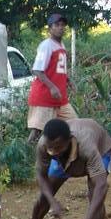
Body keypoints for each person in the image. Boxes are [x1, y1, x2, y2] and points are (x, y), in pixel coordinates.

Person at [14, 118, 111, 219]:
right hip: (63, 160)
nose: (54, 151)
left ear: (68, 140)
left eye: (58, 147)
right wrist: (52, 201)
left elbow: (101, 185)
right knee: (45, 195)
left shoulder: (87, 147)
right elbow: (41, 176)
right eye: (51, 148)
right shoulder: (44, 145)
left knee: (94, 195)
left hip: (99, 151)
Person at [27, 13, 78, 145]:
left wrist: (68, 80)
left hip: (60, 98)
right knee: (37, 131)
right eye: (57, 25)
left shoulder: (61, 46)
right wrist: (52, 87)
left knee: (75, 125)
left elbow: (59, 69)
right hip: (45, 97)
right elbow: (37, 70)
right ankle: (26, 157)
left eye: (62, 25)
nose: (61, 28)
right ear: (50, 28)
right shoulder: (46, 45)